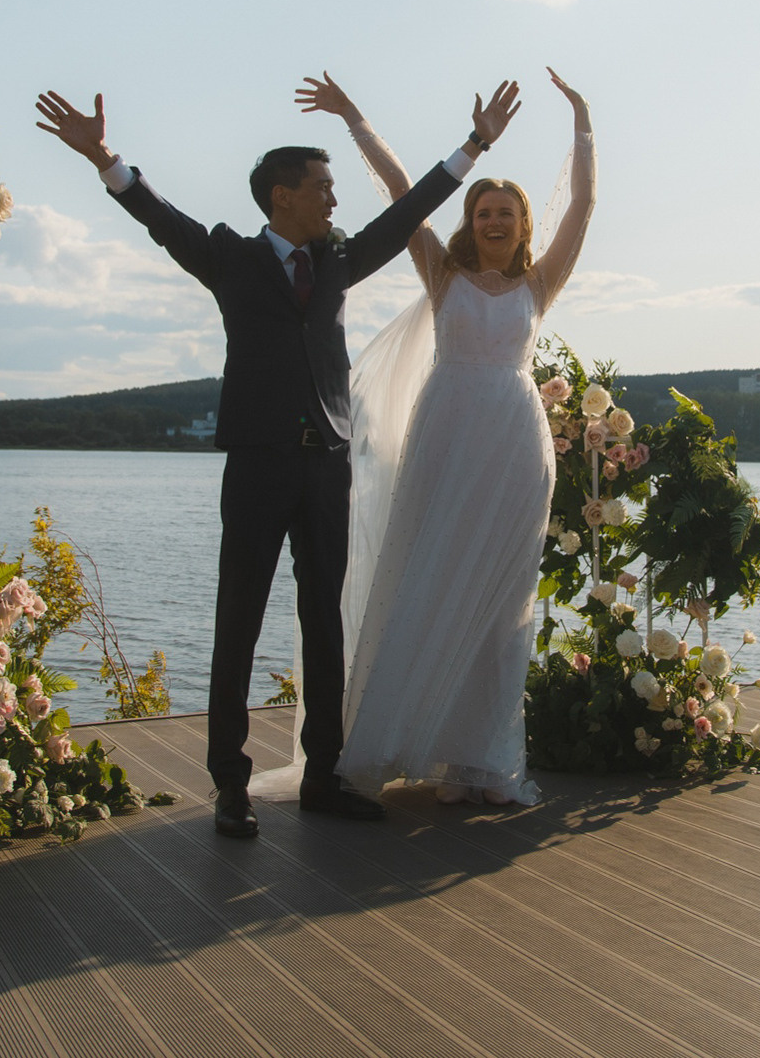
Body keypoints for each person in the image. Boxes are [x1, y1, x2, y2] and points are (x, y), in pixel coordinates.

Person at [33, 82, 521, 839]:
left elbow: (402, 216)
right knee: (239, 620)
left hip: (326, 461)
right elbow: (160, 220)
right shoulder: (229, 257)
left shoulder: (336, 258)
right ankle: (230, 785)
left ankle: (323, 773)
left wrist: (475, 146)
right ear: (281, 196)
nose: (333, 199)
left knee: (324, 624)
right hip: (258, 463)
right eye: (323, 187)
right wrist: (105, 158)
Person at [295, 67, 594, 806]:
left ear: (524, 225)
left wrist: (583, 124)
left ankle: (480, 761)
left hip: (515, 447)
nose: (494, 221)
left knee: (501, 604)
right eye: (484, 210)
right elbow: (401, 191)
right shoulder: (440, 270)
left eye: (506, 213)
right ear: (470, 220)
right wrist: (354, 118)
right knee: (426, 581)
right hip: (447, 432)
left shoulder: (538, 285)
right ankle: (397, 741)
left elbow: (584, 204)